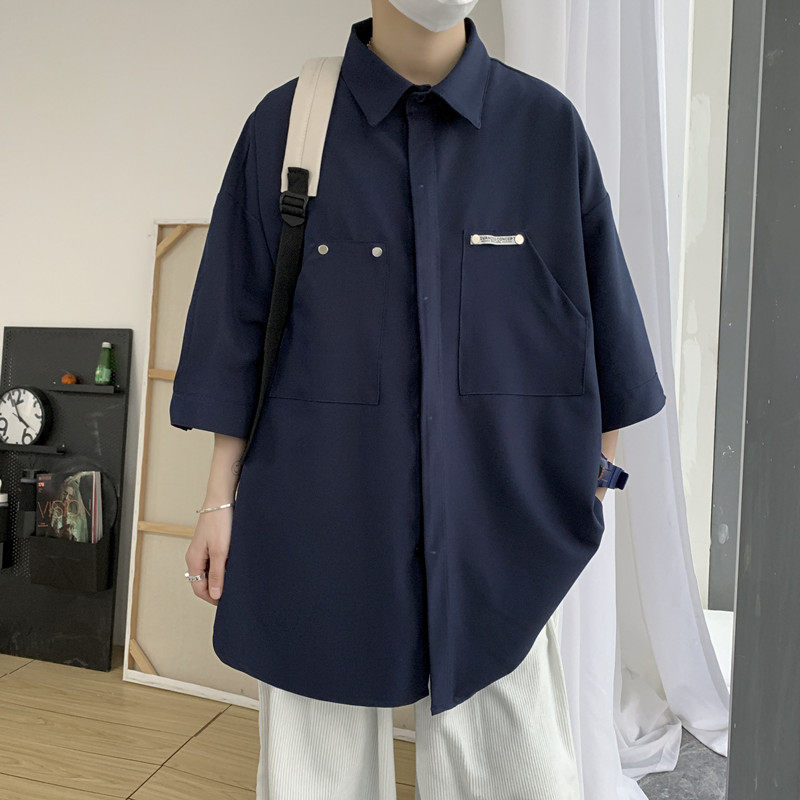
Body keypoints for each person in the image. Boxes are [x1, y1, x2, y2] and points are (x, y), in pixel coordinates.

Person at [171, 0, 667, 796]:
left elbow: (608, 342)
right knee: (314, 781)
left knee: (520, 777)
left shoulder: (544, 130)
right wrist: (216, 503)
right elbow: (237, 329)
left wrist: (589, 489)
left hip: (496, 534)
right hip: (313, 526)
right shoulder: (287, 126)